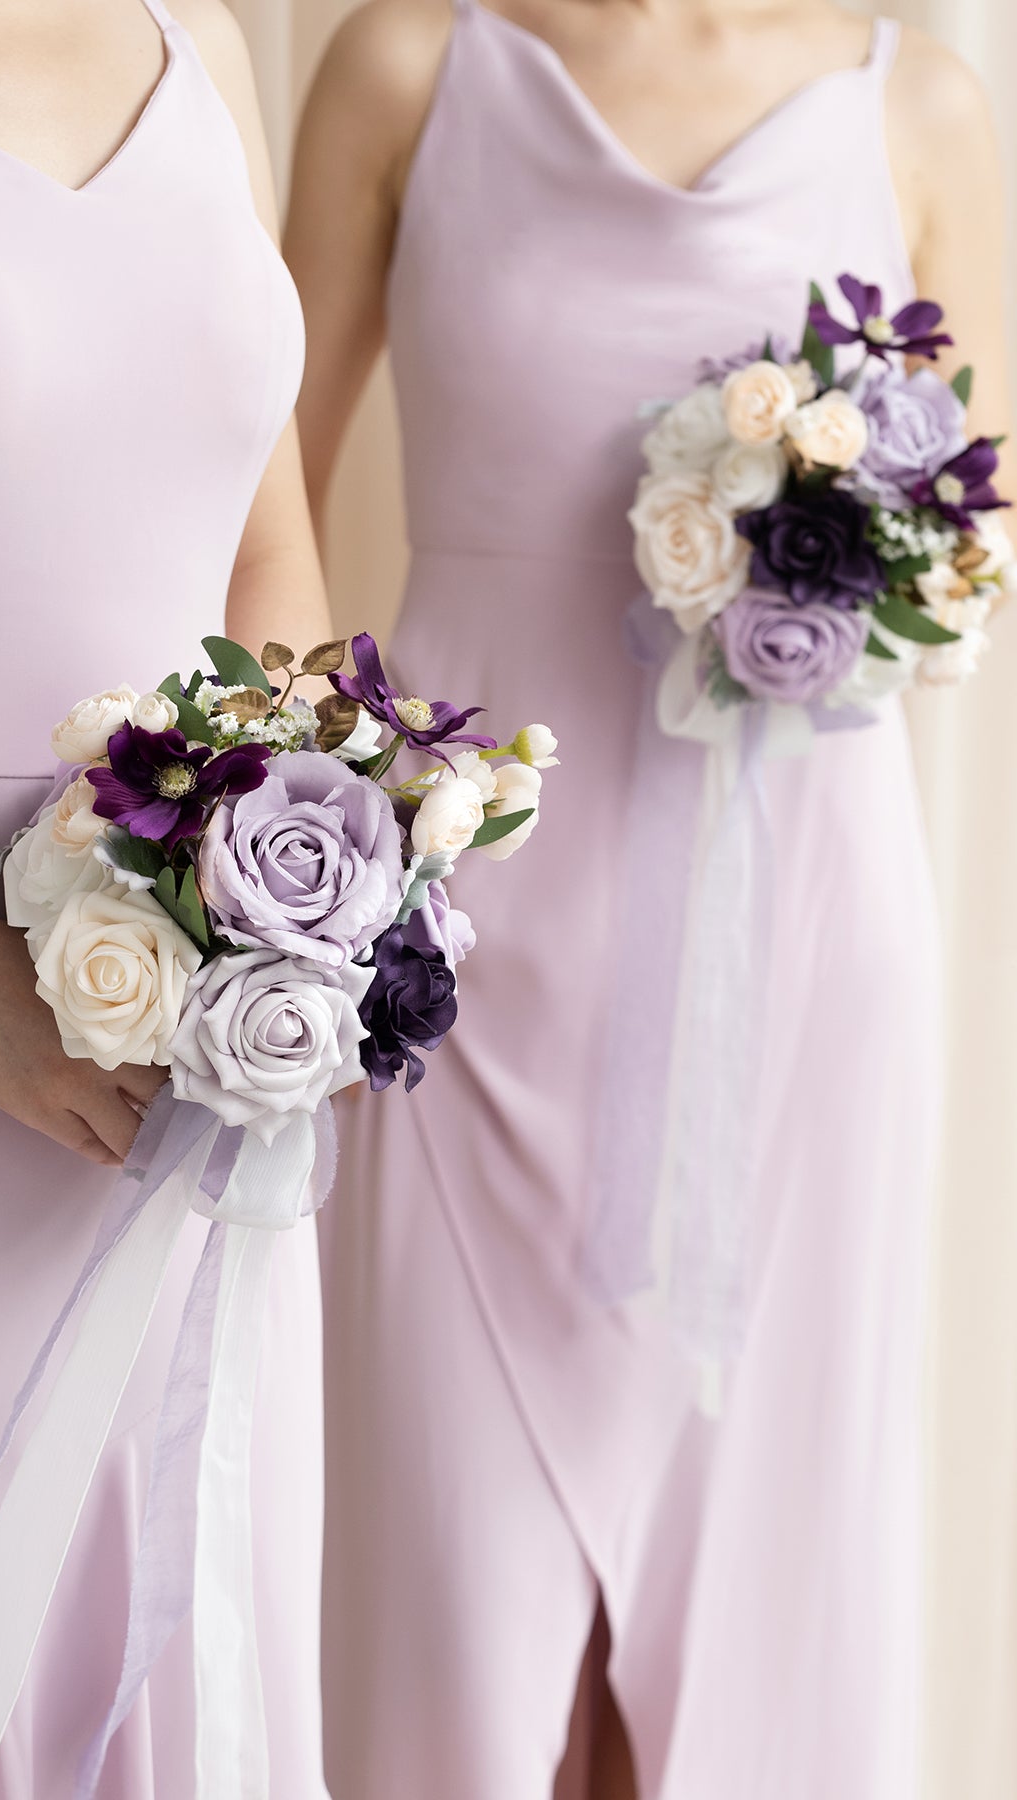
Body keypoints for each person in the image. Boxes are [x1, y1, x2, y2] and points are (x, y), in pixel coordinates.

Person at [285, 2, 1013, 1795]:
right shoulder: (410, 66)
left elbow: (981, 544)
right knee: (456, 1601)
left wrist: (854, 544)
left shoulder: (916, 95)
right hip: (460, 961)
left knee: (758, 1594)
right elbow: (256, 501)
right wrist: (318, 857)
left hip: (800, 970)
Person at [0, 1, 333, 1792]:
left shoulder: (196, 43)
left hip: (186, 1070)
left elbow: (266, 552)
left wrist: (320, 881)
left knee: (174, 1657)